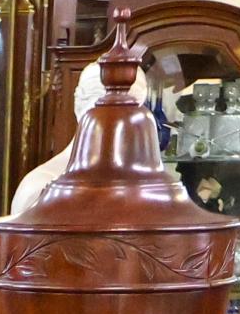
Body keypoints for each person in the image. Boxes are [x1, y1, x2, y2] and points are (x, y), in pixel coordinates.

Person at [10, 54, 151, 215]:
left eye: (132, 115)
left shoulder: (144, 188)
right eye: (103, 115)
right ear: (79, 108)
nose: (120, 128)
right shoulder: (40, 187)